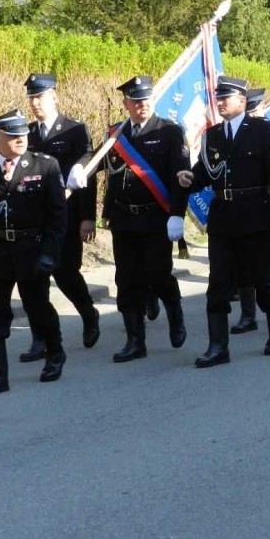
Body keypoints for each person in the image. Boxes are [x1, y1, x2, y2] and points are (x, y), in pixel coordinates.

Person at [175, 76, 270, 367]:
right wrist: (190, 178)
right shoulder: (212, 135)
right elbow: (206, 171)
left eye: (227, 97)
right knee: (218, 284)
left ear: (242, 100)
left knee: (263, 280)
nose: (221, 101)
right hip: (224, 217)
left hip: (255, 215)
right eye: (219, 97)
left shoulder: (262, 130)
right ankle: (218, 346)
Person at [0, 109, 67, 397]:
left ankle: (55, 353)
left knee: (38, 309)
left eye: (23, 133)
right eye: (12, 135)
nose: (21, 138)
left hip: (32, 250)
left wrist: (50, 253)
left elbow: (58, 216)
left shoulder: (45, 166)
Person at [102, 76, 189, 363]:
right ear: (126, 103)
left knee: (158, 273)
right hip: (124, 218)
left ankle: (174, 310)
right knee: (126, 279)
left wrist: (177, 215)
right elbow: (111, 177)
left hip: (155, 217)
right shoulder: (116, 134)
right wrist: (104, 211)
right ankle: (135, 340)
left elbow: (180, 178)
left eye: (146, 100)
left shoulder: (170, 132)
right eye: (135, 100)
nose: (141, 105)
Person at [17, 73, 100, 363]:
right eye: (32, 98)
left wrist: (88, 218)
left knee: (66, 275)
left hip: (65, 217)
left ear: (54, 97)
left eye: (40, 96)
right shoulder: (27, 134)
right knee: (33, 281)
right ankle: (41, 338)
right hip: (34, 222)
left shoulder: (75, 130)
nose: (36, 103)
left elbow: (87, 173)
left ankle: (88, 312)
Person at [230, 87, 270, 334]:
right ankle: (248, 315)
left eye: (255, 110)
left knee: (268, 261)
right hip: (243, 208)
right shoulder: (235, 132)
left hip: (269, 207)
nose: (252, 115)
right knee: (242, 262)